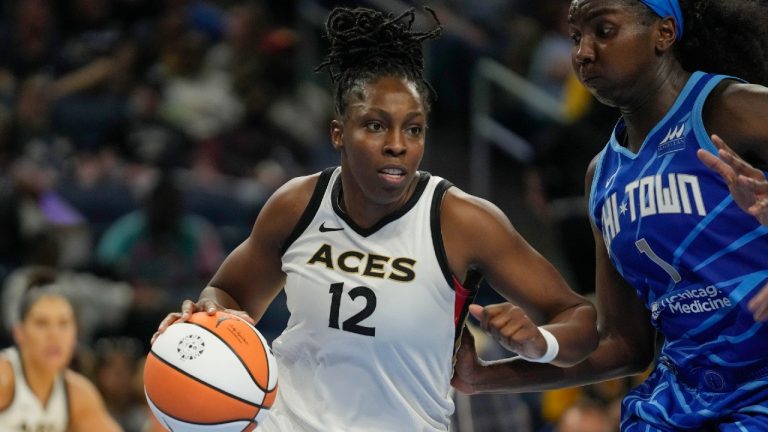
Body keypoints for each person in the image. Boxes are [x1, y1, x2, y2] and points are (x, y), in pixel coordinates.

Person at [154, 6, 598, 431]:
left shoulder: (463, 221)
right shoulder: (297, 204)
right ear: (338, 133)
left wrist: (543, 343)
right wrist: (208, 313)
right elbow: (230, 292)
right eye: (375, 125)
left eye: (414, 128)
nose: (397, 144)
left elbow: (578, 317)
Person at [452, 0, 768, 430]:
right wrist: (492, 371)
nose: (583, 52)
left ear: (664, 33)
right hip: (679, 405)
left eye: (603, 30)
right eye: (576, 36)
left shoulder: (736, 110)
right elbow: (623, 343)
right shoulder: (601, 175)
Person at [0, 272, 122, 431]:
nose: (54, 335)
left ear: (76, 333)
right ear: (19, 332)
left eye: (63, 323)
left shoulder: (77, 394)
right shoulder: (4, 377)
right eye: (41, 323)